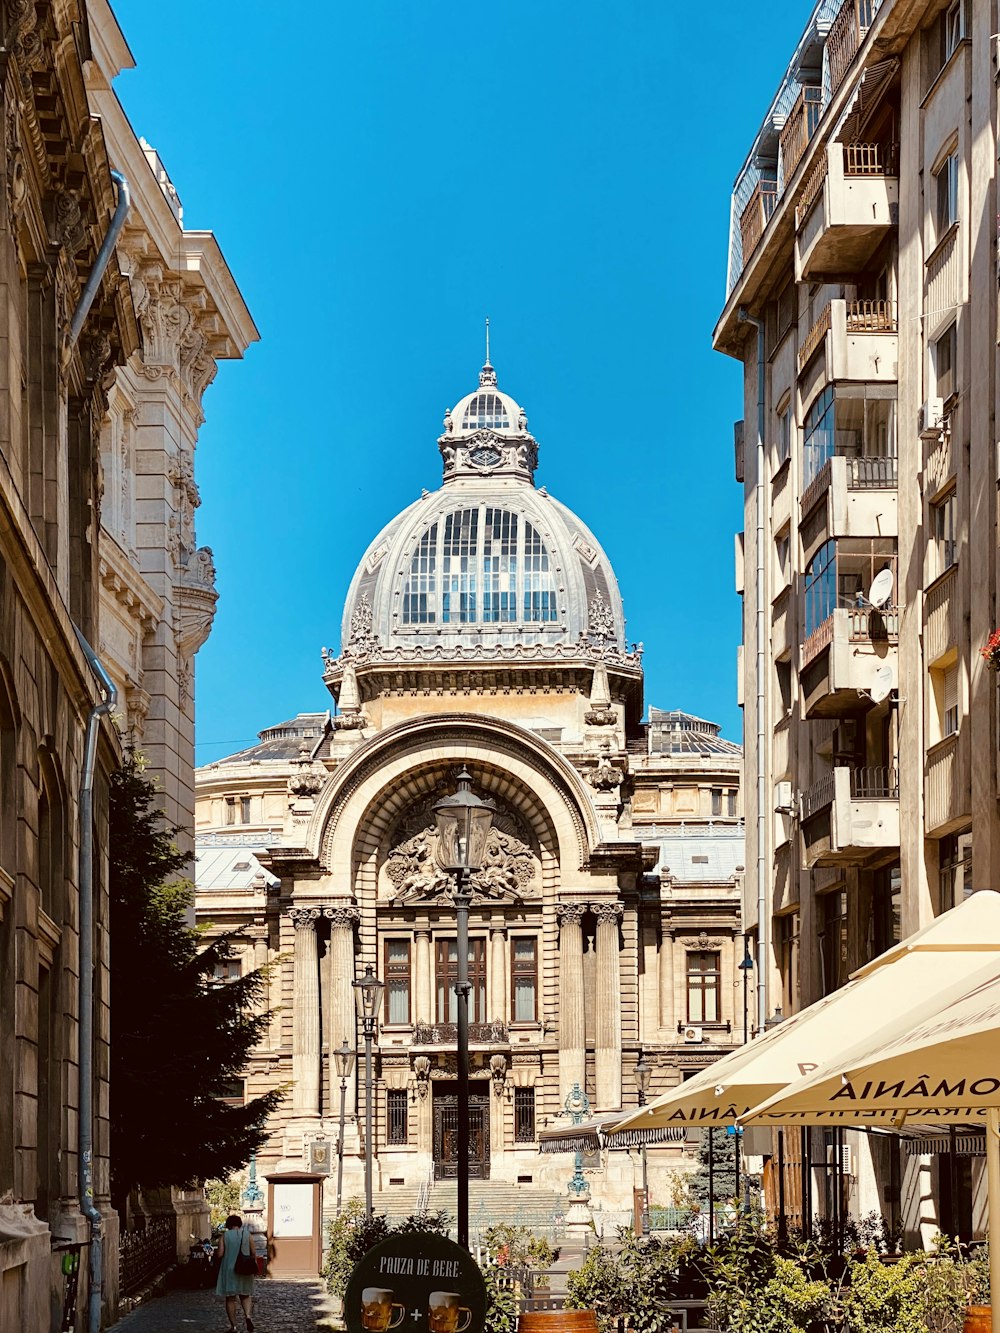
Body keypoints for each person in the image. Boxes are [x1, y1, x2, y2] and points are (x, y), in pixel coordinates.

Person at [216, 1213, 255, 1332]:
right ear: (239, 1224)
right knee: (245, 1295)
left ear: (228, 1225)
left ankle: (234, 1326)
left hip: (229, 1270)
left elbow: (220, 1254)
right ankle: (248, 1316)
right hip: (245, 1269)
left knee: (230, 1298)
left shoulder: (225, 1236)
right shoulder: (247, 1235)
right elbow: (253, 1252)